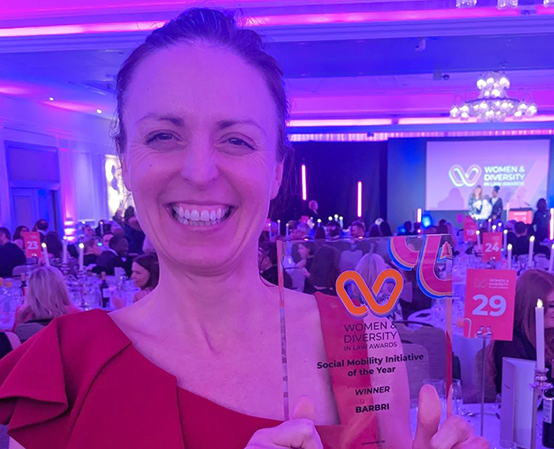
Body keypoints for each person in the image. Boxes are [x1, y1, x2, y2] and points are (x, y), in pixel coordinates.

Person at [0, 9, 486, 449]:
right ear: (125, 162)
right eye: (163, 136)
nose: (199, 172)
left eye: (236, 140)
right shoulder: (67, 369)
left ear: (276, 171)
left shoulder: (364, 342)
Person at [489, 270, 554, 393]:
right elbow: (532, 394)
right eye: (551, 305)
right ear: (530, 306)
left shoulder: (553, 332)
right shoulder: (510, 342)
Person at [13, 266, 80, 342]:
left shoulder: (21, 314)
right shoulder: (74, 313)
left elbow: (13, 342)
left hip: (32, 349)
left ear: (30, 289)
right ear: (61, 287)